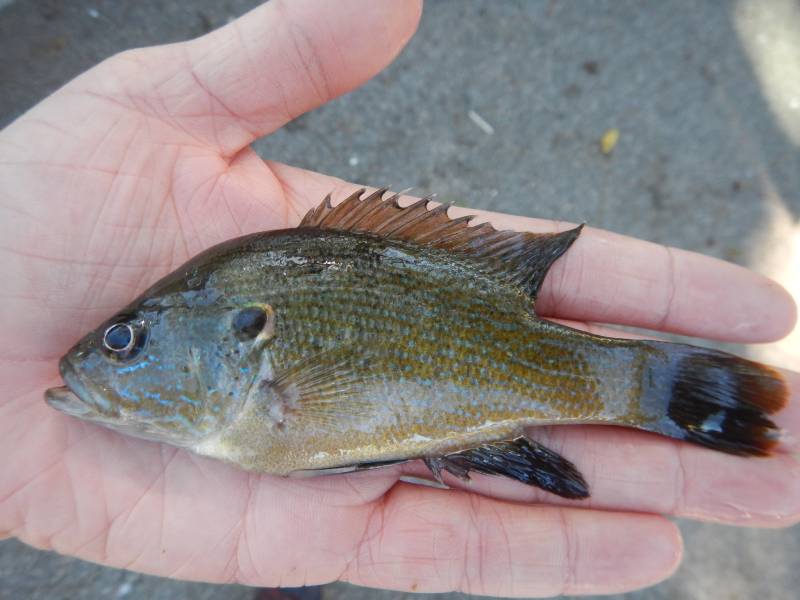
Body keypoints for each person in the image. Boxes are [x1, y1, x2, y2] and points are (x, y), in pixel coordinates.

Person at [0, 1, 797, 597]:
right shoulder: (239, 338)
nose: (103, 355)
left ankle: (654, 387)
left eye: (124, 342)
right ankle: (667, 393)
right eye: (121, 341)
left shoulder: (247, 335)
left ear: (241, 336)